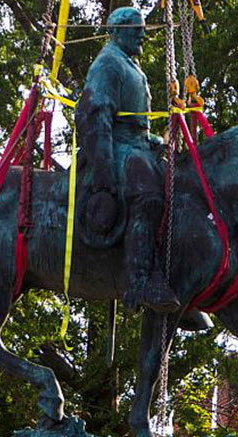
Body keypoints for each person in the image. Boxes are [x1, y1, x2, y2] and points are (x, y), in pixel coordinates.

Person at [74, 7, 180, 313]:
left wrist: (151, 141)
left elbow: (136, 122)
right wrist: (103, 170)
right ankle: (140, 279)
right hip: (114, 148)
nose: (142, 34)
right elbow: (96, 117)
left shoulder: (130, 65)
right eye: (136, 29)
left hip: (136, 145)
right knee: (148, 196)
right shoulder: (108, 64)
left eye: (142, 28)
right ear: (117, 30)